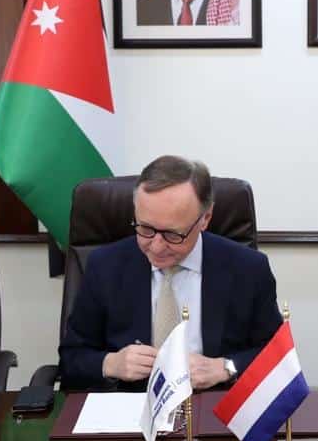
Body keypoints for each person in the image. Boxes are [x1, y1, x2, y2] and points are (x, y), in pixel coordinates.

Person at [58, 155, 281, 391]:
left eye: (173, 235)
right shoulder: (105, 266)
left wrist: (226, 367)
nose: (156, 247)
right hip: (131, 403)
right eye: (145, 229)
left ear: (205, 218)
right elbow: (71, 359)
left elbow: (277, 354)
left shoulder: (248, 269)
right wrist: (110, 364)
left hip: (210, 402)